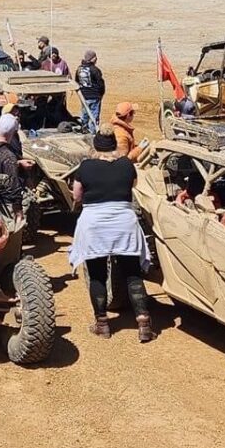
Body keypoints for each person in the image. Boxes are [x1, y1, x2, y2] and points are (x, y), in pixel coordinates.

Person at [68, 129, 155, 342]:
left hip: (94, 224)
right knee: (132, 273)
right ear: (114, 145)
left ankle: (102, 324)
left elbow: (77, 195)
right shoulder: (126, 164)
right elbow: (133, 185)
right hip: (123, 222)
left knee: (97, 274)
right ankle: (143, 324)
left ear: (95, 146)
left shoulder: (86, 166)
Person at [75, 51, 106, 129]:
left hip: (84, 96)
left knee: (84, 115)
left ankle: (84, 130)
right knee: (94, 117)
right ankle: (92, 133)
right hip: (95, 96)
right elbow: (101, 84)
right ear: (93, 59)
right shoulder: (95, 70)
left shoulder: (79, 69)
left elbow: (77, 81)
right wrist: (101, 94)